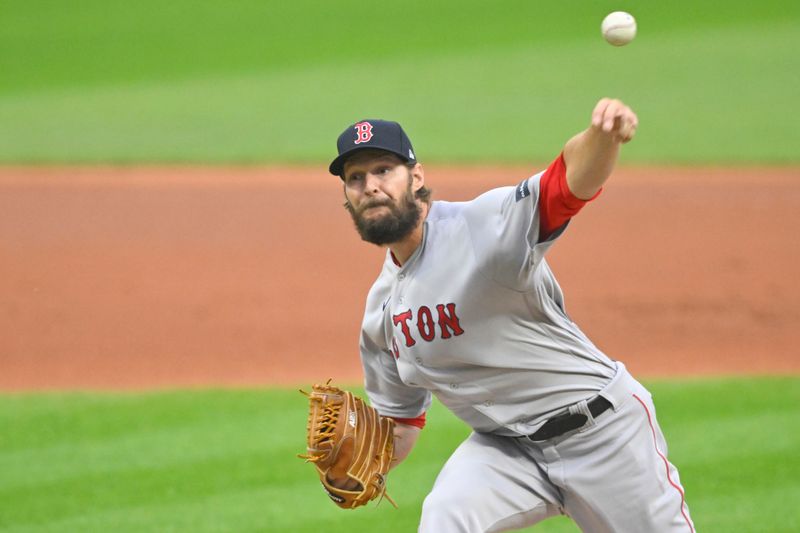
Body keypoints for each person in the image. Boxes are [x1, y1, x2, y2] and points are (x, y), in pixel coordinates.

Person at [326, 99, 695, 532]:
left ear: (417, 176)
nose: (370, 186)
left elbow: (565, 185)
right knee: (445, 518)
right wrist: (352, 468)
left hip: (602, 431)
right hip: (507, 452)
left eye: (383, 170)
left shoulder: (482, 226)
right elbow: (401, 422)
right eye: (356, 178)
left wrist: (602, 136)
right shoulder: (380, 312)